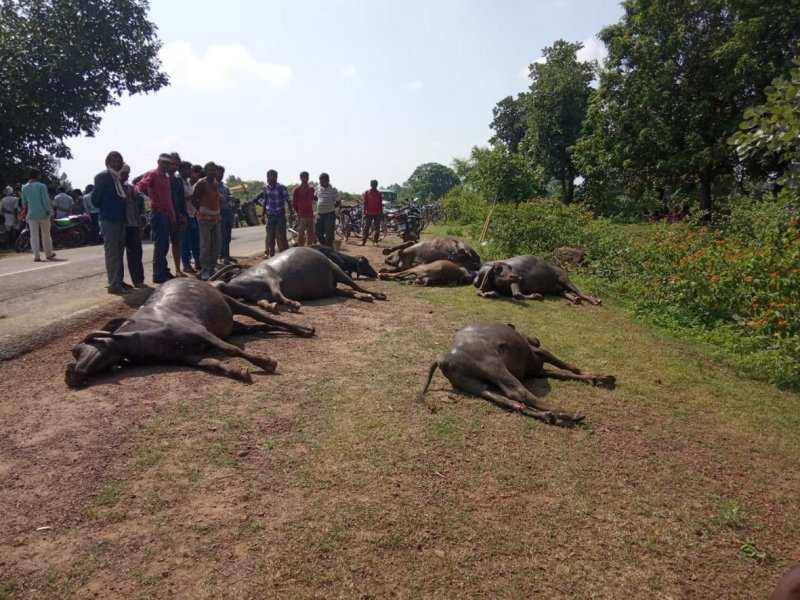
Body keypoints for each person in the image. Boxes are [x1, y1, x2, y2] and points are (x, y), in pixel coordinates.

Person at [135, 153, 176, 284]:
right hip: (158, 213)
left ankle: (163, 270)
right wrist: (138, 191)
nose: (165, 165)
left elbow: (168, 199)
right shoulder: (153, 174)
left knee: (165, 245)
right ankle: (158, 274)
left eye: (168, 163)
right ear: (158, 162)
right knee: (160, 244)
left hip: (166, 214)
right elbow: (141, 184)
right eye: (164, 163)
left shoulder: (166, 177)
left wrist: (172, 216)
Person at [93, 151, 130, 294]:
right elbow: (95, 200)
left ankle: (118, 280)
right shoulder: (103, 177)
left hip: (120, 219)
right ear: (108, 162)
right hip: (108, 218)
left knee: (119, 252)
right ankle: (114, 284)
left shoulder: (118, 178)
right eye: (113, 161)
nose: (116, 164)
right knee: (112, 253)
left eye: (119, 161)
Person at [190, 162, 221, 280]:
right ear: (205, 171)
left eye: (214, 170)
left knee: (216, 245)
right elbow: (194, 198)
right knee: (205, 246)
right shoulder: (201, 183)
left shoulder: (216, 184)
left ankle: (212, 268)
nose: (212, 172)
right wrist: (200, 210)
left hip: (216, 217)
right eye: (209, 170)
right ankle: (205, 270)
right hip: (204, 218)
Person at [119, 164, 147, 289]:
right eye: (123, 173)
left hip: (133, 224)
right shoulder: (114, 188)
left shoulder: (131, 188)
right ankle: (118, 281)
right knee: (117, 255)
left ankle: (138, 280)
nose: (126, 176)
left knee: (136, 253)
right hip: (120, 225)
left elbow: (137, 208)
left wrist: (140, 225)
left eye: (127, 173)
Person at [21, 169, 55, 262]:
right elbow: (45, 200)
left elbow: (24, 203)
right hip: (43, 213)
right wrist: (49, 212)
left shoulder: (24, 188)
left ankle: (36, 256)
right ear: (37, 175)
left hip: (31, 214)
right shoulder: (42, 186)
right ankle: (48, 254)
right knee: (46, 234)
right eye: (40, 174)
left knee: (34, 235)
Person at [261, 169, 292, 257]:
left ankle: (286, 254)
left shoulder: (282, 187)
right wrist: (263, 215)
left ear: (276, 177)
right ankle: (272, 254)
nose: (271, 177)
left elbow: (288, 201)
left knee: (282, 235)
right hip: (270, 214)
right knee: (271, 235)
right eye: (269, 176)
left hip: (280, 213)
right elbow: (265, 201)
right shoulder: (265, 188)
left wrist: (291, 213)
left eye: (273, 175)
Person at [168, 153, 189, 278]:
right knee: (162, 245)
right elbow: (137, 182)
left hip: (177, 215)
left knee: (176, 243)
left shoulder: (177, 181)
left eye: (176, 164)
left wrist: (184, 215)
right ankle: (161, 272)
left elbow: (181, 199)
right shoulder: (158, 176)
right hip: (163, 215)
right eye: (172, 164)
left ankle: (177, 269)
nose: (174, 167)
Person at [179, 161, 200, 274]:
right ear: (182, 170)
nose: (191, 171)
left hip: (191, 215)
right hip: (184, 215)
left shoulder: (187, 183)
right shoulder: (178, 182)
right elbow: (177, 198)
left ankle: (198, 262)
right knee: (185, 242)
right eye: (189, 169)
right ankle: (186, 265)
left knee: (195, 241)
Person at [217, 165, 236, 263]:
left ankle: (226, 255)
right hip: (220, 212)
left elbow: (232, 196)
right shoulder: (213, 186)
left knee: (227, 235)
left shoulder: (225, 187)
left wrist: (228, 197)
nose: (221, 175)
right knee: (222, 235)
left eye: (222, 173)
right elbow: (221, 198)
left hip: (228, 211)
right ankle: (222, 255)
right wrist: (227, 197)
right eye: (219, 173)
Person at [314, 172, 340, 247]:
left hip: (329, 215)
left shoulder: (333, 190)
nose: (321, 182)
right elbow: (315, 197)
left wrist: (331, 207)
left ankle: (329, 249)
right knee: (318, 233)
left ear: (328, 180)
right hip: (319, 215)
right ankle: (324, 246)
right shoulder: (318, 188)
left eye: (323, 180)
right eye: (320, 181)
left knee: (329, 234)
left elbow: (338, 202)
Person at [291, 171, 316, 246]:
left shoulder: (311, 189)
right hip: (302, 214)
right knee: (301, 232)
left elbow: (311, 200)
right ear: (300, 178)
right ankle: (301, 248)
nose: (305, 178)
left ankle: (309, 247)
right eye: (303, 177)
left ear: (308, 177)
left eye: (306, 176)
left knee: (310, 232)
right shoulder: (297, 190)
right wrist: (298, 212)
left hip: (310, 213)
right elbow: (294, 203)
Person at [362, 179, 383, 246]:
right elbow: (365, 203)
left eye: (375, 184)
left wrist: (382, 213)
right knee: (366, 228)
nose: (374, 186)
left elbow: (380, 204)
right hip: (369, 213)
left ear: (377, 185)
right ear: (371, 185)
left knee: (377, 228)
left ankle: (375, 241)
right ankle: (363, 241)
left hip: (377, 213)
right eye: (373, 184)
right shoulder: (367, 192)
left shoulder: (379, 193)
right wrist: (364, 212)